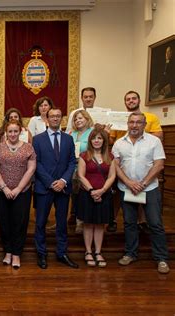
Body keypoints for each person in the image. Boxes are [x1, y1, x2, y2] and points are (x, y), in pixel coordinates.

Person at [112, 112, 170, 274]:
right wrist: (129, 183)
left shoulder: (154, 141)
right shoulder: (119, 143)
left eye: (138, 122)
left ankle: (161, 258)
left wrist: (143, 183)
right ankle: (131, 253)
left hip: (149, 188)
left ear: (144, 125)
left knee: (155, 224)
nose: (134, 125)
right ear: (127, 124)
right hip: (127, 188)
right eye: (132, 122)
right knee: (130, 223)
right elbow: (116, 166)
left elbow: (159, 165)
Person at [107, 91, 163, 233]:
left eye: (133, 99)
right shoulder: (118, 118)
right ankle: (112, 219)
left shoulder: (151, 117)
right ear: (125, 102)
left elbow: (159, 135)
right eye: (128, 99)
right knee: (118, 193)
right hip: (122, 160)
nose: (131, 101)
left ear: (138, 100)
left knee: (143, 195)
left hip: (144, 160)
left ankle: (142, 221)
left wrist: (137, 131)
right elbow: (112, 140)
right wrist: (106, 133)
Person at [33, 108, 78, 269]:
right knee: (40, 223)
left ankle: (61, 253)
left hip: (63, 188)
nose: (55, 119)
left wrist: (64, 181)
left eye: (58, 116)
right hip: (44, 188)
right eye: (52, 116)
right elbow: (35, 163)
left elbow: (72, 162)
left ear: (62, 119)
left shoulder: (68, 139)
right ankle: (41, 253)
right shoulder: (38, 140)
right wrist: (51, 182)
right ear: (47, 119)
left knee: (62, 223)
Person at [0, 120, 36, 268]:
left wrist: (17, 189)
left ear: (20, 131)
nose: (13, 134)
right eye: (10, 131)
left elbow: (31, 169)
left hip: (22, 191)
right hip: (1, 191)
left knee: (20, 222)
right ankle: (8, 251)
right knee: (4, 222)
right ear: (6, 132)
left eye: (15, 131)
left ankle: (16, 254)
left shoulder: (28, 148)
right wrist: (4, 188)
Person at [77, 127, 116, 268]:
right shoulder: (84, 155)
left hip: (104, 195)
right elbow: (81, 176)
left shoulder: (110, 156)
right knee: (88, 224)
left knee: (100, 224)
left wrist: (102, 190)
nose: (96, 141)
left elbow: (112, 176)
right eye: (94, 138)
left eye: (99, 138)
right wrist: (92, 191)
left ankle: (98, 252)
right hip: (87, 194)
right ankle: (88, 252)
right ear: (90, 140)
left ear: (104, 140)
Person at [68, 109, 95, 233]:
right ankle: (78, 220)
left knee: (86, 196)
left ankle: (86, 221)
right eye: (75, 119)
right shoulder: (71, 134)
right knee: (76, 196)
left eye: (80, 118)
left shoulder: (92, 133)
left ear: (87, 119)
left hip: (87, 169)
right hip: (73, 169)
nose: (78, 120)